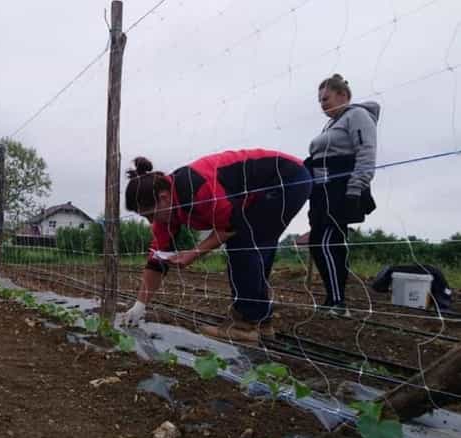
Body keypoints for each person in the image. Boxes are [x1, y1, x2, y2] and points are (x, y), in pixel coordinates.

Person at [121, 149, 312, 342]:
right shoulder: (166, 213)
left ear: (163, 198)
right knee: (255, 247)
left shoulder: (195, 186)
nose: (150, 221)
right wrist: (139, 305)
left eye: (150, 215)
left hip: (286, 178)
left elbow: (229, 226)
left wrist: (194, 253)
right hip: (276, 186)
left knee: (244, 244)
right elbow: (156, 261)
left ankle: (247, 325)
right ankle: (261, 322)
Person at [305, 74, 379, 316]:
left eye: (326, 98)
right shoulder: (332, 124)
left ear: (343, 96)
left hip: (339, 189)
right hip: (322, 191)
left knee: (325, 241)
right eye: (319, 100)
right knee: (324, 242)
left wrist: (355, 189)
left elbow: (366, 152)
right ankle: (333, 299)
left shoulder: (357, 116)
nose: (322, 104)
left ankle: (337, 302)